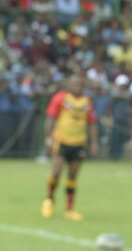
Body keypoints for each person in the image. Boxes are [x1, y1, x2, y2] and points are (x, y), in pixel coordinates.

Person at [41, 73, 97, 221]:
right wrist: (48, 138)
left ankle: (70, 209)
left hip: (79, 142)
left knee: (73, 175)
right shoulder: (60, 98)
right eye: (74, 84)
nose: (77, 87)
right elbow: (50, 118)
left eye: (80, 84)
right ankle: (49, 200)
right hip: (62, 141)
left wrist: (94, 143)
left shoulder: (87, 101)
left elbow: (91, 122)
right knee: (56, 172)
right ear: (68, 85)